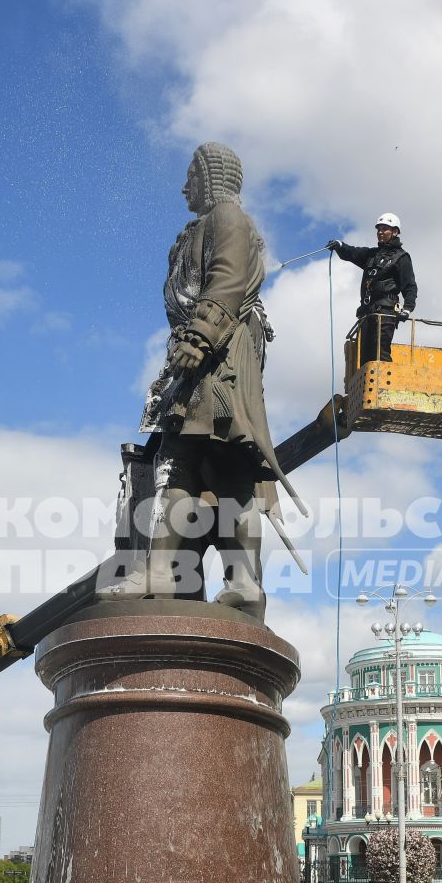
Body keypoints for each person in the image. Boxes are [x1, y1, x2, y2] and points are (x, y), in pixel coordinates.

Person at [110, 141, 294, 622]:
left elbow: (227, 279)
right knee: (190, 458)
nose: (183, 185)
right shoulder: (202, 226)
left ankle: (207, 575)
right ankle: (195, 573)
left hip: (219, 357)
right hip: (205, 353)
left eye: (191, 174)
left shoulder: (227, 218)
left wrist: (201, 334)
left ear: (211, 176)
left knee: (208, 459)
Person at [329, 213, 418, 364]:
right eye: (379, 229)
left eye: (385, 229)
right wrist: (340, 245)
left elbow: (410, 286)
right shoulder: (372, 255)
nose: (380, 232)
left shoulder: (401, 257)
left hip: (385, 311)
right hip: (367, 313)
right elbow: (353, 253)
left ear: (395, 232)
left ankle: (384, 386)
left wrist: (408, 308)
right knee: (365, 358)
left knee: (380, 353)